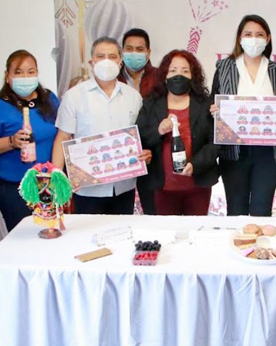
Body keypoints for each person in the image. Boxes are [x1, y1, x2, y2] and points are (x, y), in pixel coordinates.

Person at [52, 36, 148, 214]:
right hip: (87, 188)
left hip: (123, 186)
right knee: (88, 232)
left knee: (123, 230)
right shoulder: (74, 96)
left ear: (120, 62)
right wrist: (56, 177)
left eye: (112, 56)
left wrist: (145, 153)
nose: (106, 61)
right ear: (91, 62)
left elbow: (141, 136)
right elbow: (63, 136)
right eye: (100, 56)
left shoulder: (133, 97)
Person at [210, 14, 276, 216]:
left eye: (259, 34)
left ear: (268, 38)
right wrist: (214, 110)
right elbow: (212, 101)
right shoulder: (224, 67)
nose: (254, 39)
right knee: (236, 210)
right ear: (240, 38)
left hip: (269, 153)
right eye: (248, 34)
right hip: (234, 152)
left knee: (262, 210)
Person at [136, 50, 218, 215]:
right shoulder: (150, 104)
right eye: (173, 70)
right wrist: (158, 131)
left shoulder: (206, 105)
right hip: (161, 187)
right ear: (164, 75)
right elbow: (139, 139)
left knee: (196, 229)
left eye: (185, 71)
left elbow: (215, 142)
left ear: (193, 76)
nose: (178, 75)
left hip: (198, 186)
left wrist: (196, 164)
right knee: (164, 230)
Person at [0, 50, 59, 231]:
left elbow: (62, 134)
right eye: (18, 72)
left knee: (50, 233)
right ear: (7, 76)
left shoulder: (49, 99)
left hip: (47, 183)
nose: (26, 77)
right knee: (23, 237)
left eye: (31, 72)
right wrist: (11, 142)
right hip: (13, 187)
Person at [118, 28, 159, 214]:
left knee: (153, 212)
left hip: (152, 154)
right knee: (121, 211)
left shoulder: (160, 77)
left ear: (148, 53)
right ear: (122, 51)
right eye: (129, 49)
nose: (134, 53)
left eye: (139, 49)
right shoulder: (111, 78)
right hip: (119, 154)